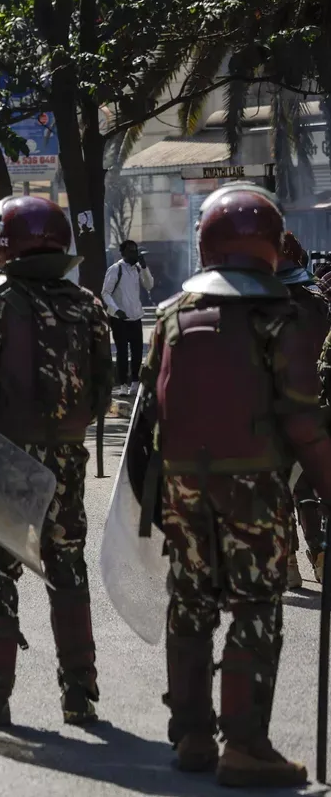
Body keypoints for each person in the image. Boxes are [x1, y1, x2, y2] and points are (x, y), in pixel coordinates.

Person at [142, 184, 331, 786]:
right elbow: (303, 420)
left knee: (190, 604)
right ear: (272, 246)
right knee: (255, 607)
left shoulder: (172, 314)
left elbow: (150, 410)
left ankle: (193, 735)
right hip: (254, 490)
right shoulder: (284, 316)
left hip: (182, 489)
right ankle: (245, 745)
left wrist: (149, 498)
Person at [0, 195, 112, 727]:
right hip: (67, 459)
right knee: (68, 569)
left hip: (6, 458)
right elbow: (103, 392)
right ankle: (80, 696)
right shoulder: (88, 305)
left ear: (4, 242)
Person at [275, 231, 327, 588]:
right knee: (308, 484)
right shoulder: (320, 304)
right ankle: (320, 554)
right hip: (316, 409)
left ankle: (288, 563)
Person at [101, 239, 155, 396]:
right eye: (131, 251)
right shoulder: (115, 269)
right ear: (123, 253)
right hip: (120, 318)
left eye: (135, 250)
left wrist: (144, 267)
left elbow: (149, 285)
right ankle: (123, 385)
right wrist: (116, 310)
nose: (135, 254)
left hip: (135, 316)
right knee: (122, 352)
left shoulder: (137, 269)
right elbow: (105, 293)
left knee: (137, 352)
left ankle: (135, 382)